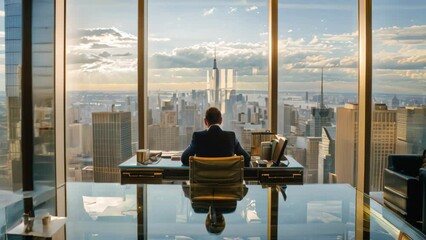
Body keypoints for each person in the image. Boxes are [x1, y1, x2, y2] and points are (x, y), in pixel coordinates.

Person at [181, 107, 251, 167]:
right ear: (220, 120)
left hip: (203, 181)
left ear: (205, 121)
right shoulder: (231, 137)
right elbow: (247, 158)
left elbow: (184, 159)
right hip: (226, 181)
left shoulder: (198, 137)